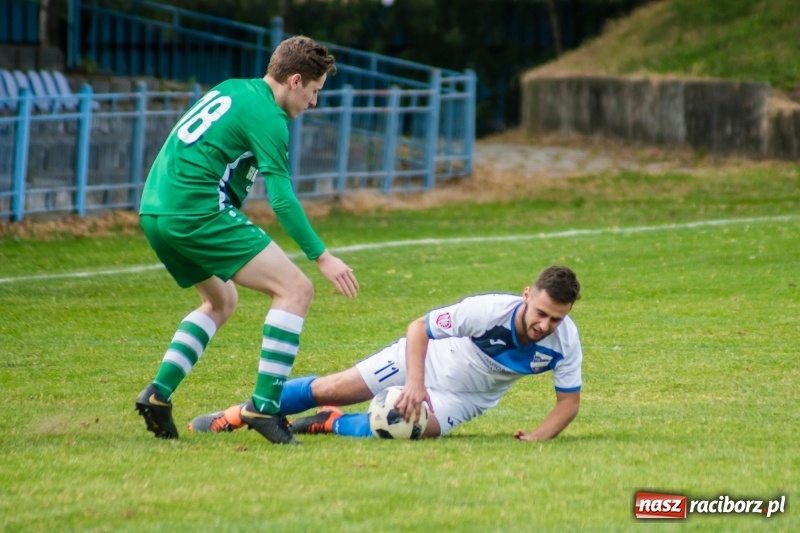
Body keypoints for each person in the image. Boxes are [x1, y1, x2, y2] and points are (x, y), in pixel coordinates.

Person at [135, 36, 359, 446]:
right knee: (296, 289)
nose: (314, 103)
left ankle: (158, 394)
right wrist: (322, 256)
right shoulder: (269, 117)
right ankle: (263, 406)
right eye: (313, 92)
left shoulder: (233, 87)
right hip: (194, 209)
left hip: (154, 209)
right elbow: (282, 199)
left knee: (221, 301)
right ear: (295, 81)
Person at [189, 266, 582, 441]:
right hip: (424, 361)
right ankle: (237, 414)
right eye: (541, 314)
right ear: (527, 296)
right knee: (332, 388)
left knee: (403, 429)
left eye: (556, 319)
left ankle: (330, 424)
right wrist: (415, 383)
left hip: (465, 397)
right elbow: (419, 328)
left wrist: (537, 438)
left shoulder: (565, 343)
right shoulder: (486, 311)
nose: (545, 326)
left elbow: (568, 403)